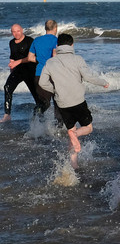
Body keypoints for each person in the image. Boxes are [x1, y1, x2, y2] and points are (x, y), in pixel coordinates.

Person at [37, 34, 109, 169]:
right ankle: (75, 134)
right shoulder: (77, 59)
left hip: (62, 104)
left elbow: (42, 82)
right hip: (78, 101)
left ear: (57, 46)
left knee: (71, 132)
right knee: (87, 128)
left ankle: (74, 164)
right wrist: (103, 83)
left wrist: (56, 90)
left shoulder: (50, 62)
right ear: (72, 45)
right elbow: (88, 77)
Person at [3, 24, 39, 123]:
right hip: (18, 71)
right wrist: (11, 65)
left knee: (36, 95)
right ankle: (7, 115)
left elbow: (32, 58)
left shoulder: (29, 41)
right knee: (7, 87)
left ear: (22, 30)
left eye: (18, 31)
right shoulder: (11, 43)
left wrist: (17, 62)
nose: (16, 34)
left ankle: (40, 115)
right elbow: (12, 56)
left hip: (30, 70)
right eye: (13, 32)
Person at [28, 19, 59, 120]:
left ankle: (37, 123)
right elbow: (56, 57)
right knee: (58, 103)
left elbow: (29, 58)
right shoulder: (57, 40)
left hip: (39, 75)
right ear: (56, 28)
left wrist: (41, 59)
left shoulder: (36, 40)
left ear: (45, 28)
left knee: (44, 103)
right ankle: (58, 128)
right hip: (53, 75)